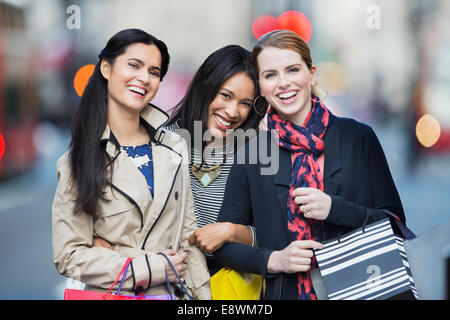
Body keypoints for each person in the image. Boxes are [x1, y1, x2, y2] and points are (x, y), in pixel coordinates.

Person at [214, 29, 406, 300]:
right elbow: (225, 245)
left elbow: (396, 224)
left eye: (293, 70)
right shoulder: (252, 153)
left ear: (311, 73)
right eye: (270, 75)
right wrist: (275, 260)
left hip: (365, 289)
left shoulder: (357, 137)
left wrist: (334, 208)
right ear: (260, 85)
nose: (283, 83)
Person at [52, 28, 210, 299]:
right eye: (134, 65)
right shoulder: (76, 161)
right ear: (106, 68)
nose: (144, 78)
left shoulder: (174, 147)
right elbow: (69, 255)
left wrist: (203, 300)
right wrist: (147, 266)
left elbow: (188, 237)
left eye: (154, 72)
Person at [164, 45, 265, 276]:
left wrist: (230, 232)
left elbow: (272, 238)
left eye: (245, 104)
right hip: (166, 283)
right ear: (205, 88)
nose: (232, 111)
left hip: (226, 287)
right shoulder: (162, 141)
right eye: (226, 95)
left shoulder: (254, 152)